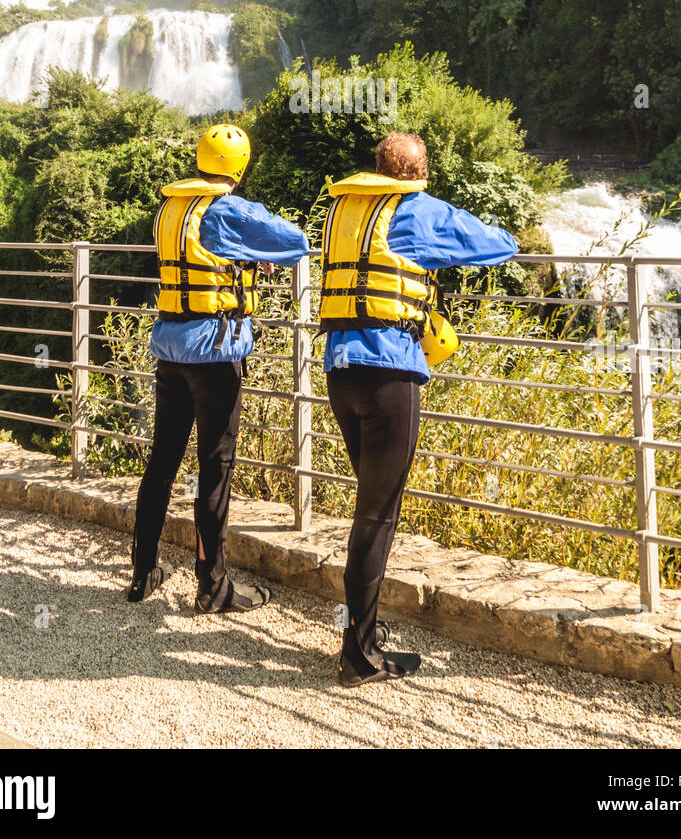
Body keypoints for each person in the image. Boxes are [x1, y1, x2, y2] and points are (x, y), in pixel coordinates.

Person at [320, 131, 518, 687]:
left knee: (373, 505)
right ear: (418, 170)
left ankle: (366, 631)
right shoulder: (419, 210)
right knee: (377, 514)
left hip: (342, 373)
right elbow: (496, 243)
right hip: (390, 376)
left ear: (377, 167)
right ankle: (357, 655)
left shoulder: (344, 211)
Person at [128, 123, 309, 612]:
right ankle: (213, 587)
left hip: (170, 349)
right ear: (240, 166)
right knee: (215, 468)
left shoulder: (171, 207)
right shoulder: (229, 209)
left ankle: (143, 573)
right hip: (215, 354)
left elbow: (201, 254)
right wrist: (257, 252)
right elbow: (295, 242)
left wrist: (245, 257)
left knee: (162, 463)